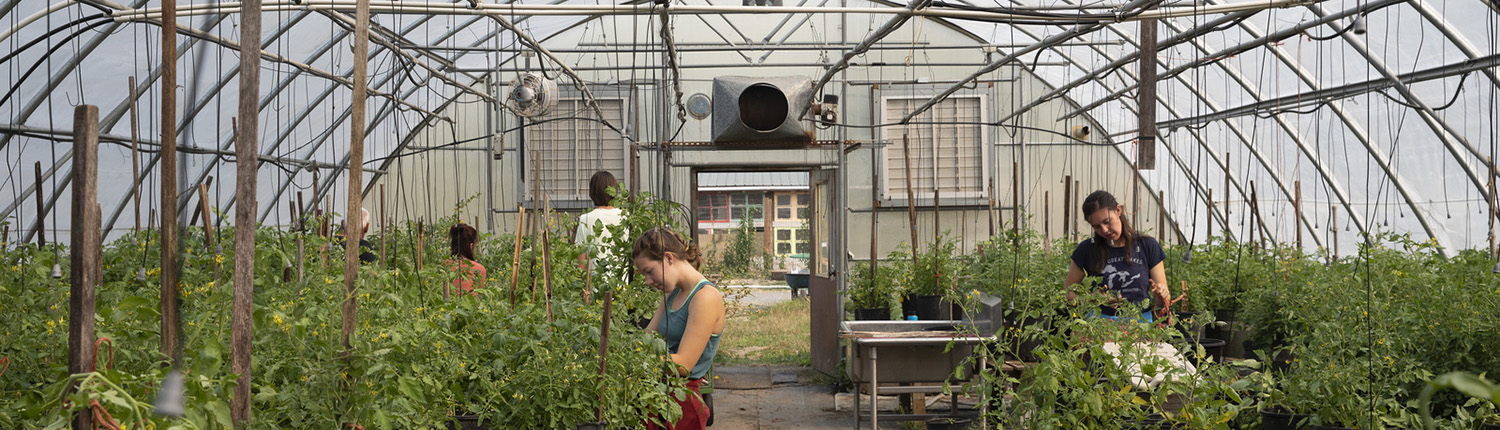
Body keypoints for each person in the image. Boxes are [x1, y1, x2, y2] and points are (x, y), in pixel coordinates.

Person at [633, 227, 724, 430]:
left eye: (649, 272)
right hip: (659, 395)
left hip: (682, 404)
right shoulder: (673, 293)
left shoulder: (705, 297)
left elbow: (682, 365)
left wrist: (635, 361)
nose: (648, 281)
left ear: (668, 258)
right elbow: (647, 338)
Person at [1063, 190, 1172, 323]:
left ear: (1118, 211)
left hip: (1140, 323)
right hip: (1100, 323)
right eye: (1096, 227)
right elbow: (1068, 293)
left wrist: (1161, 294)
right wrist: (1092, 298)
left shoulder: (1147, 245)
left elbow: (1163, 300)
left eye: (1107, 221)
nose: (1104, 230)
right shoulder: (1087, 249)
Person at [576, 171, 626, 295]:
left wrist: (581, 293)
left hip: (596, 292)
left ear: (592, 192)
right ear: (614, 191)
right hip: (624, 290)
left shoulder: (585, 219)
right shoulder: (627, 218)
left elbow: (581, 264)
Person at [447, 223, 487, 296]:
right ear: (471, 246)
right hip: (470, 306)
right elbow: (480, 297)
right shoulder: (479, 269)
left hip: (447, 307)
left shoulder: (443, 267)